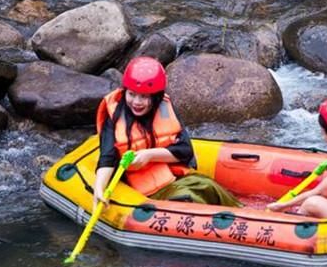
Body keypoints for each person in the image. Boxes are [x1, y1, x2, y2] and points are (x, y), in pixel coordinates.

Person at [92, 56, 241, 211]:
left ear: (155, 97)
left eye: (144, 96)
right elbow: (107, 158)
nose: (136, 102)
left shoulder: (164, 109)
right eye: (132, 94)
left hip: (170, 177)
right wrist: (99, 189)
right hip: (138, 188)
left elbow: (185, 151)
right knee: (189, 196)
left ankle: (244, 212)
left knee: (208, 186)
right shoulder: (115, 117)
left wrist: (149, 155)